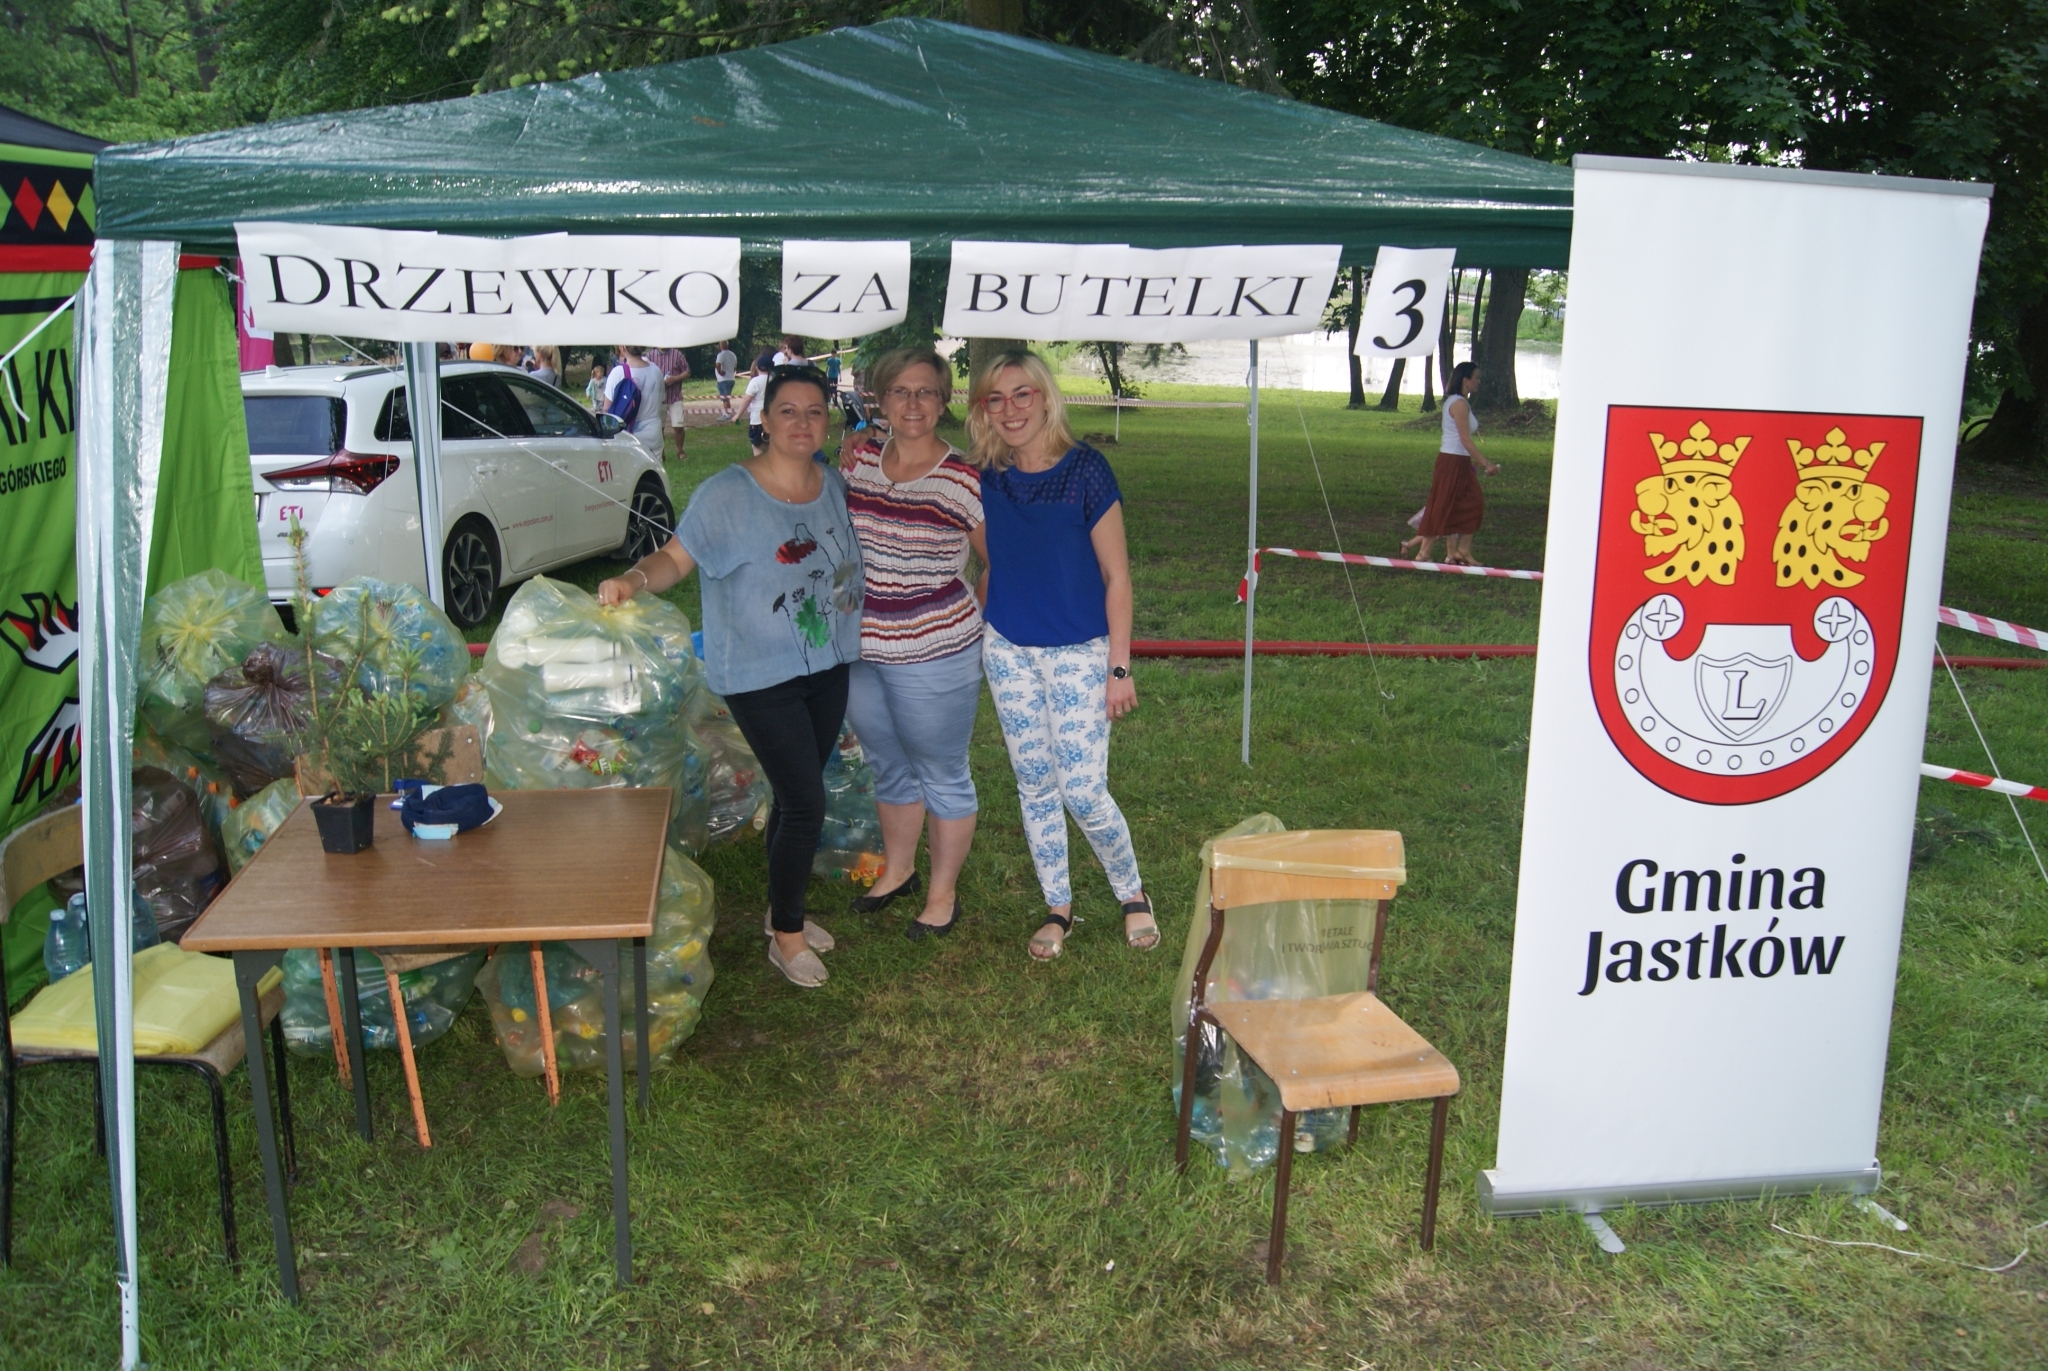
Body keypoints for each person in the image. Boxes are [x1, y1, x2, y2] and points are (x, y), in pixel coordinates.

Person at [599, 365, 862, 988]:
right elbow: (675, 558)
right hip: (757, 674)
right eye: (788, 411)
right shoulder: (726, 493)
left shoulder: (833, 484)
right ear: (764, 419)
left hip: (827, 664)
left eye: (815, 411)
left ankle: (780, 909)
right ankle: (787, 936)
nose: (802, 423)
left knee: (795, 796)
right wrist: (633, 579)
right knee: (806, 801)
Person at [970, 350, 1154, 959]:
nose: (1010, 409)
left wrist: (1119, 668)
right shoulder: (984, 476)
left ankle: (1131, 893)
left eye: (1022, 394)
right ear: (984, 410)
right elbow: (915, 461)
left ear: (1046, 397)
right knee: (1035, 786)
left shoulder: (1086, 471)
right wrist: (857, 444)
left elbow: (1117, 577)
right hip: (1008, 652)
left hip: (1079, 653)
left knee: (1083, 789)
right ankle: (1059, 906)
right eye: (996, 398)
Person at [837, 347, 987, 940]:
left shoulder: (963, 478)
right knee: (887, 763)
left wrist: (973, 620)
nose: (914, 402)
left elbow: (996, 561)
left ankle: (942, 894)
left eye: (926, 391)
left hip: (934, 652)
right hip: (861, 648)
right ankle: (897, 871)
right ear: (879, 399)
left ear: (944, 400)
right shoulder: (861, 460)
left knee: (942, 772)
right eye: (900, 391)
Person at [1401, 361, 1500, 566]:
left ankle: (1461, 551)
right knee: (1442, 505)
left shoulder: (1461, 402)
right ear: (1465, 380)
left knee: (1471, 502)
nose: (1478, 382)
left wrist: (1473, 461)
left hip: (1460, 460)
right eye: (1476, 378)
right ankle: (1424, 553)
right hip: (1451, 461)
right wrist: (1486, 463)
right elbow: (1464, 439)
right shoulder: (1458, 404)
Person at [646, 345, 692, 458]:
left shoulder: (677, 354)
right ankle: (661, 453)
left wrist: (675, 378)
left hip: (675, 396)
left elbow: (687, 371)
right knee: (658, 428)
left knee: (678, 426)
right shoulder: (650, 356)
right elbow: (645, 373)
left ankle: (680, 451)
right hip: (658, 398)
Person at [736, 357, 771, 453]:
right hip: (773, 418)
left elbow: (747, 399)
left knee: (757, 445)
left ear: (757, 368)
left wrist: (737, 415)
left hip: (758, 419)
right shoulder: (775, 381)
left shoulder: (755, 381)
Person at [714, 340, 739, 414]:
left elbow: (718, 364)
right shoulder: (733, 354)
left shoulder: (721, 355)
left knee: (725, 398)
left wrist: (720, 372)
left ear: (721, 346)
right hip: (731, 378)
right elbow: (734, 366)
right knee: (727, 398)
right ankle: (727, 412)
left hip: (723, 379)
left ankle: (726, 414)